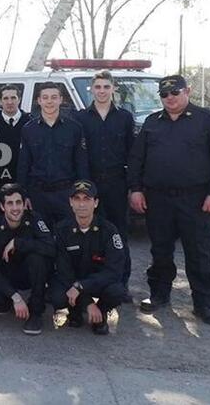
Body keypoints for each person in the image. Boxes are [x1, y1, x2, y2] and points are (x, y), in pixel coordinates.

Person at [128, 75, 210, 326]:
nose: (170, 98)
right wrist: (136, 189)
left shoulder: (208, 120)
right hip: (158, 199)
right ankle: (159, 295)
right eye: (164, 95)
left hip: (196, 200)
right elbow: (136, 160)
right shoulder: (153, 122)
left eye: (175, 92)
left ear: (188, 91)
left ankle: (204, 304)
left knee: (198, 252)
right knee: (160, 251)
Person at [75, 71, 135, 302]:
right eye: (97, 86)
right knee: (88, 234)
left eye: (106, 86)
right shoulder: (81, 118)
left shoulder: (125, 118)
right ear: (91, 89)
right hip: (89, 185)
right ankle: (89, 284)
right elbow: (78, 154)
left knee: (119, 234)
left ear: (113, 89)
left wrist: (133, 186)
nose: (101, 91)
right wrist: (82, 188)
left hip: (117, 183)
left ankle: (121, 283)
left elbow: (132, 154)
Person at [51, 180, 125, 335]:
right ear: (71, 202)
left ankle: (101, 312)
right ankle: (75, 310)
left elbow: (114, 271)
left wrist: (82, 286)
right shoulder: (61, 230)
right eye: (77, 199)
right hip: (72, 282)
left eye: (87, 199)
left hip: (97, 282)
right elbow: (63, 270)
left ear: (96, 203)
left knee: (117, 291)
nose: (81, 204)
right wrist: (88, 302)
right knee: (56, 297)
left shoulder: (109, 231)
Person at [0, 184, 55, 336]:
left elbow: (51, 248)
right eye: (10, 203)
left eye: (18, 202)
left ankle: (35, 311)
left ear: (24, 203)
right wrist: (15, 297)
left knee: (38, 258)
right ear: (2, 207)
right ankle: (12, 301)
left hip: (30, 273)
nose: (15, 208)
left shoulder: (34, 219)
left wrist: (19, 243)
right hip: (7, 276)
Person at [18, 82, 89, 227]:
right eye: (45, 97)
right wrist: (22, 194)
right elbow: (23, 164)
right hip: (38, 195)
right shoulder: (28, 129)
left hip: (66, 194)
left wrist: (82, 194)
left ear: (61, 99)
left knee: (68, 240)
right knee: (41, 240)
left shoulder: (74, 128)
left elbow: (81, 163)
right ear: (39, 100)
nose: (49, 101)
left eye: (54, 97)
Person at [0, 84, 31, 216]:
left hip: (25, 180)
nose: (9, 102)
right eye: (6, 98)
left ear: (19, 99)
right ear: (0, 101)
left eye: (13, 98)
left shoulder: (30, 122)